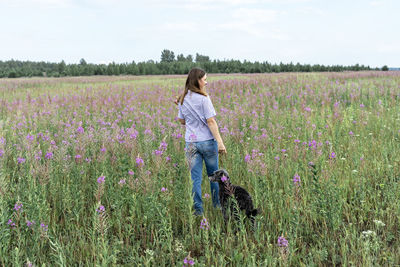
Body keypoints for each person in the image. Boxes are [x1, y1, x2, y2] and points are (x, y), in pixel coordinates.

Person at [176, 67, 227, 216]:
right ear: (198, 81)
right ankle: (217, 206)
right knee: (215, 177)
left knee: (195, 180)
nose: (206, 82)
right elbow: (210, 121)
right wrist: (220, 143)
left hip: (191, 143)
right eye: (204, 79)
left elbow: (181, 121)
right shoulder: (204, 98)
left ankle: (198, 212)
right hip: (207, 143)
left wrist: (180, 107)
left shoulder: (182, 98)